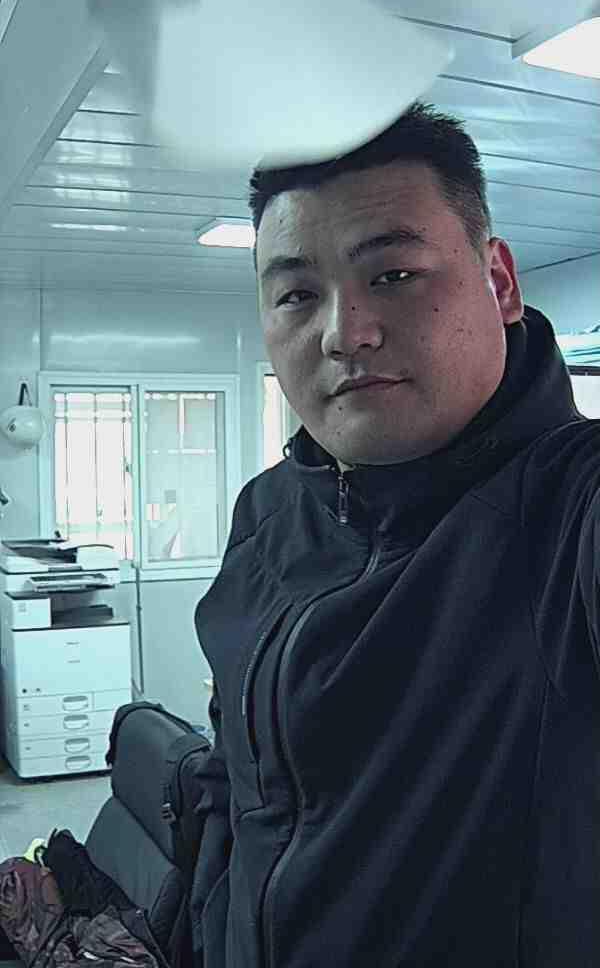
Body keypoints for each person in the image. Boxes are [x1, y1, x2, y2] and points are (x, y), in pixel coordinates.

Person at [192, 102, 600, 968]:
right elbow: (240, 784)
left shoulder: (572, 514)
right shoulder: (266, 514)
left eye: (395, 274)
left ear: (499, 283)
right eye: (298, 295)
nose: (346, 334)